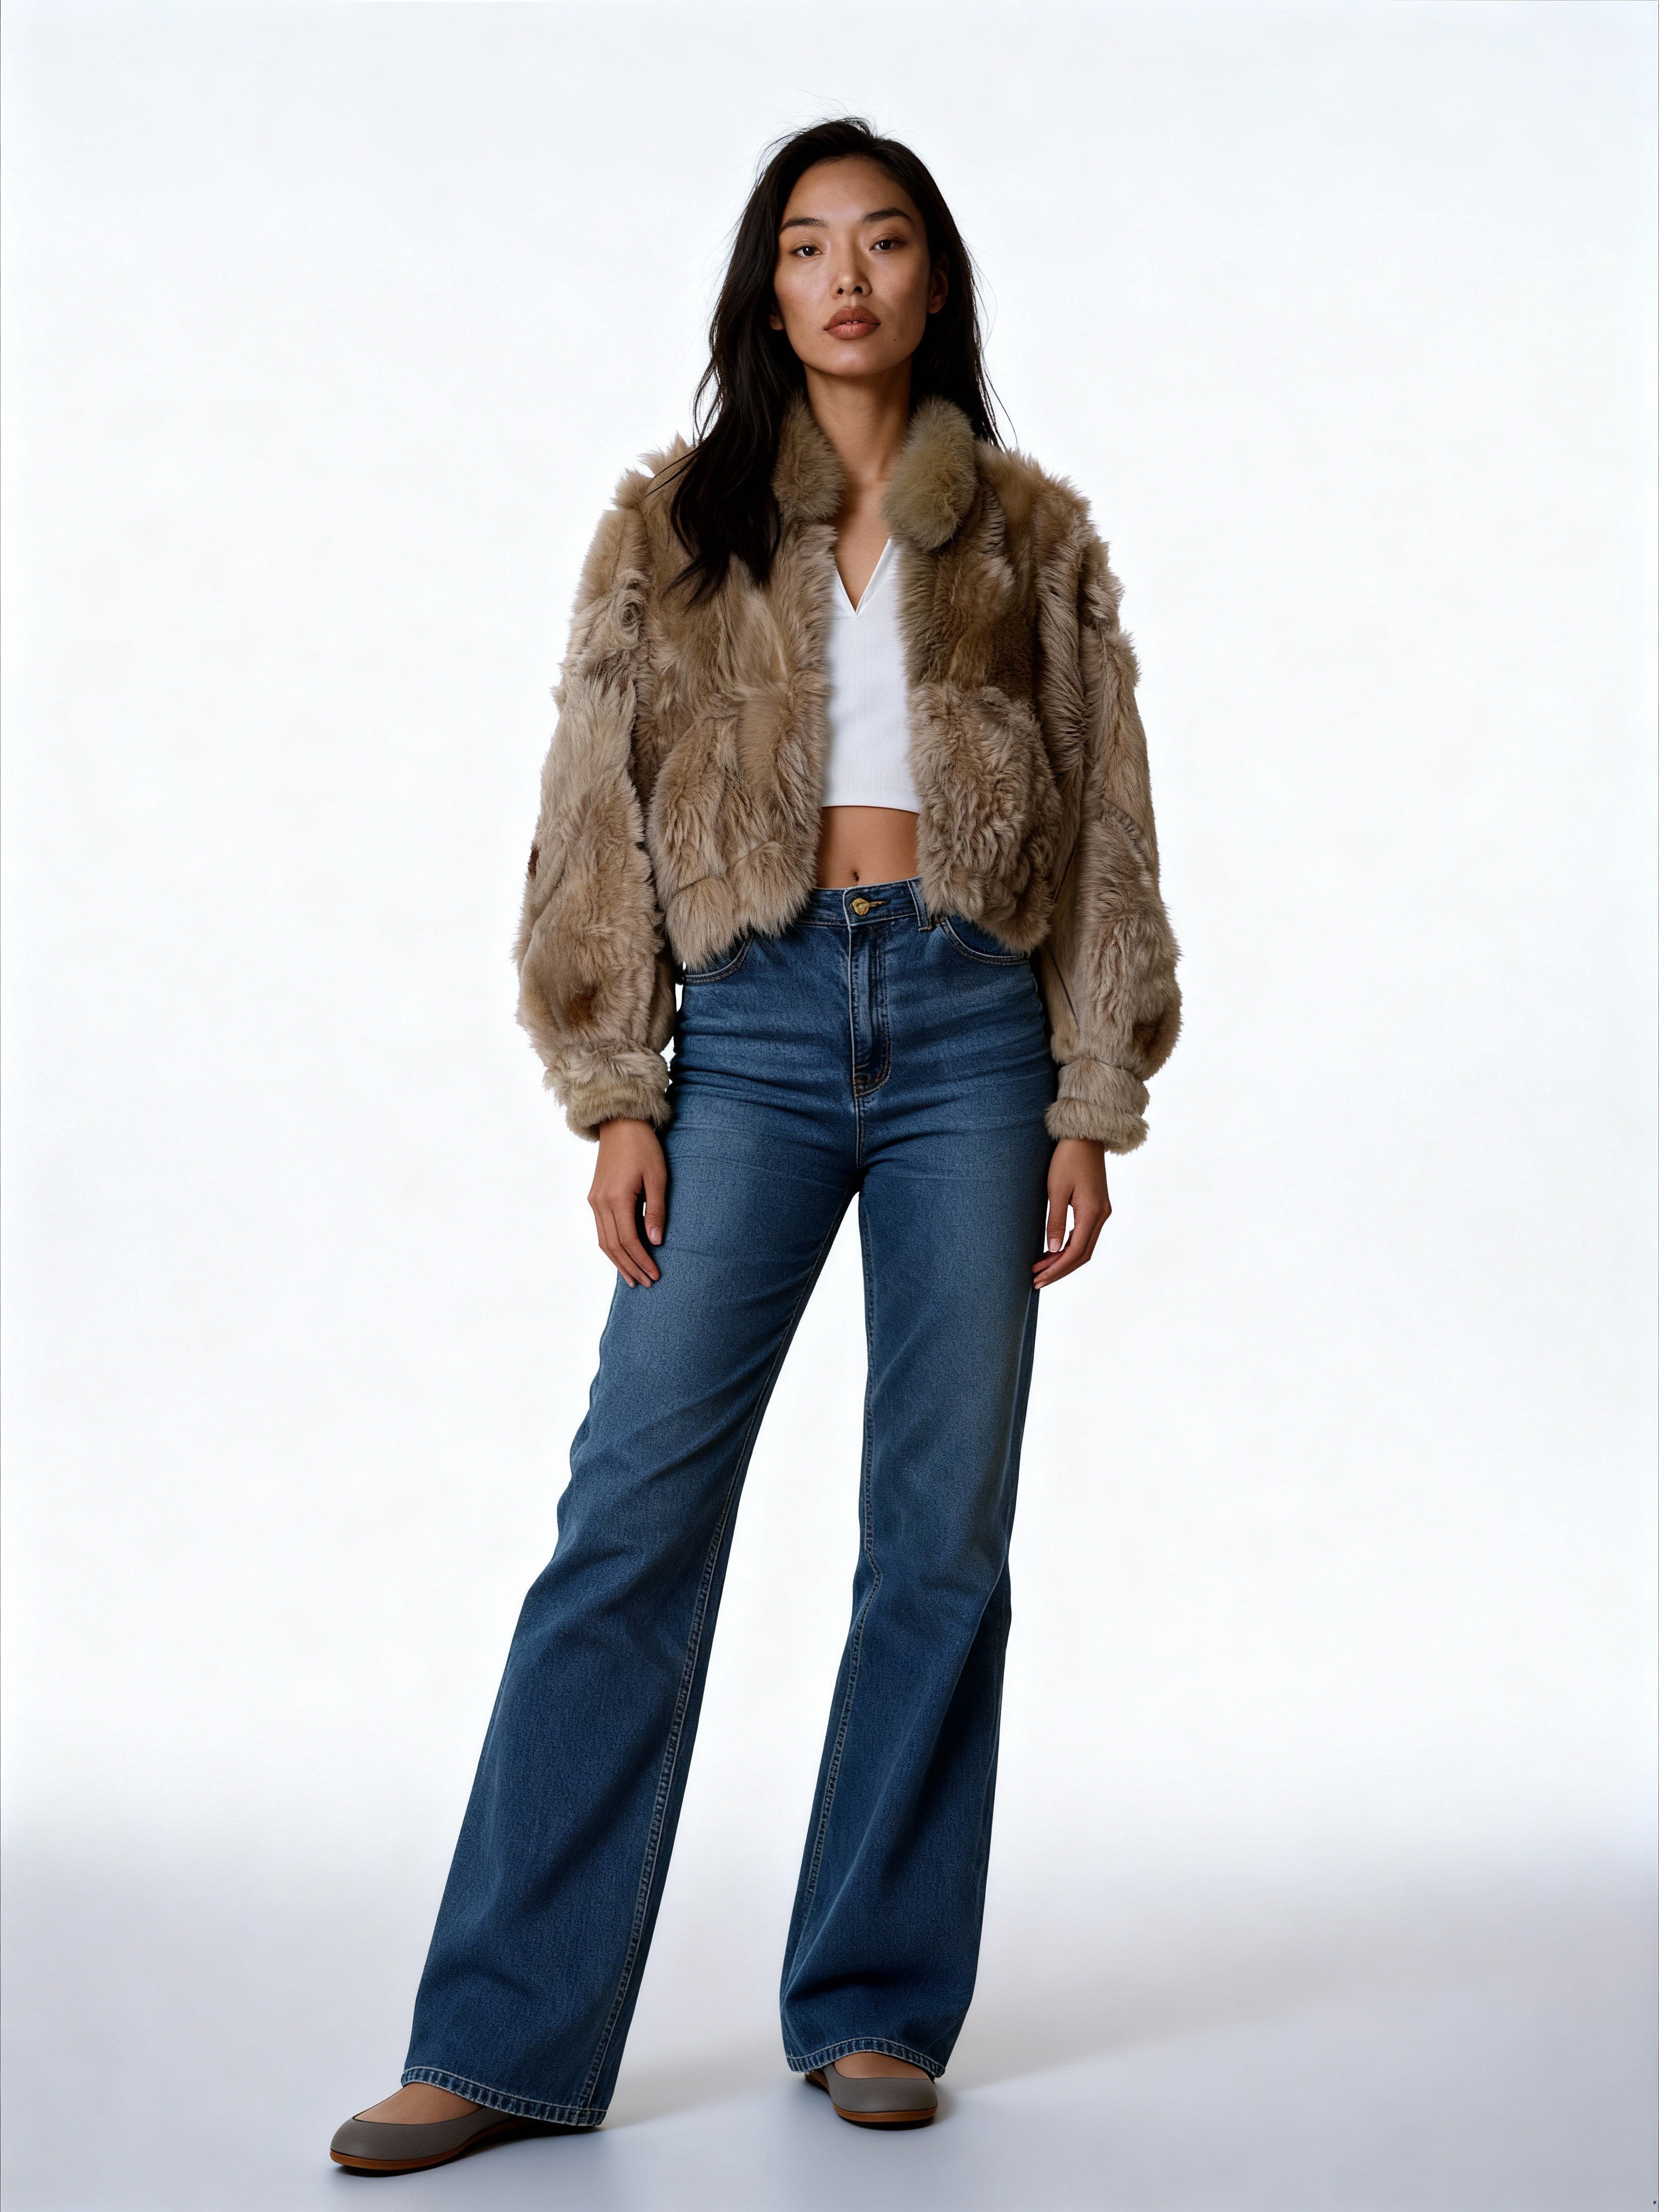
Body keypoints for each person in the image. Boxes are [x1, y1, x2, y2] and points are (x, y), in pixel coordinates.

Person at [330, 114, 1179, 2175]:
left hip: (977, 1036)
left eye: (882, 242)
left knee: (940, 1532)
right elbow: (592, 809)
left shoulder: (1035, 538)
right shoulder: (677, 528)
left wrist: (1090, 1096)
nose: (846, 279)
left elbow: (1110, 819)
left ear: (934, 278)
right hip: (759, 1032)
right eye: (808, 246)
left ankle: (875, 1999)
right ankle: (501, 2040)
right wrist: (619, 1085)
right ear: (768, 288)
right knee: (631, 1514)